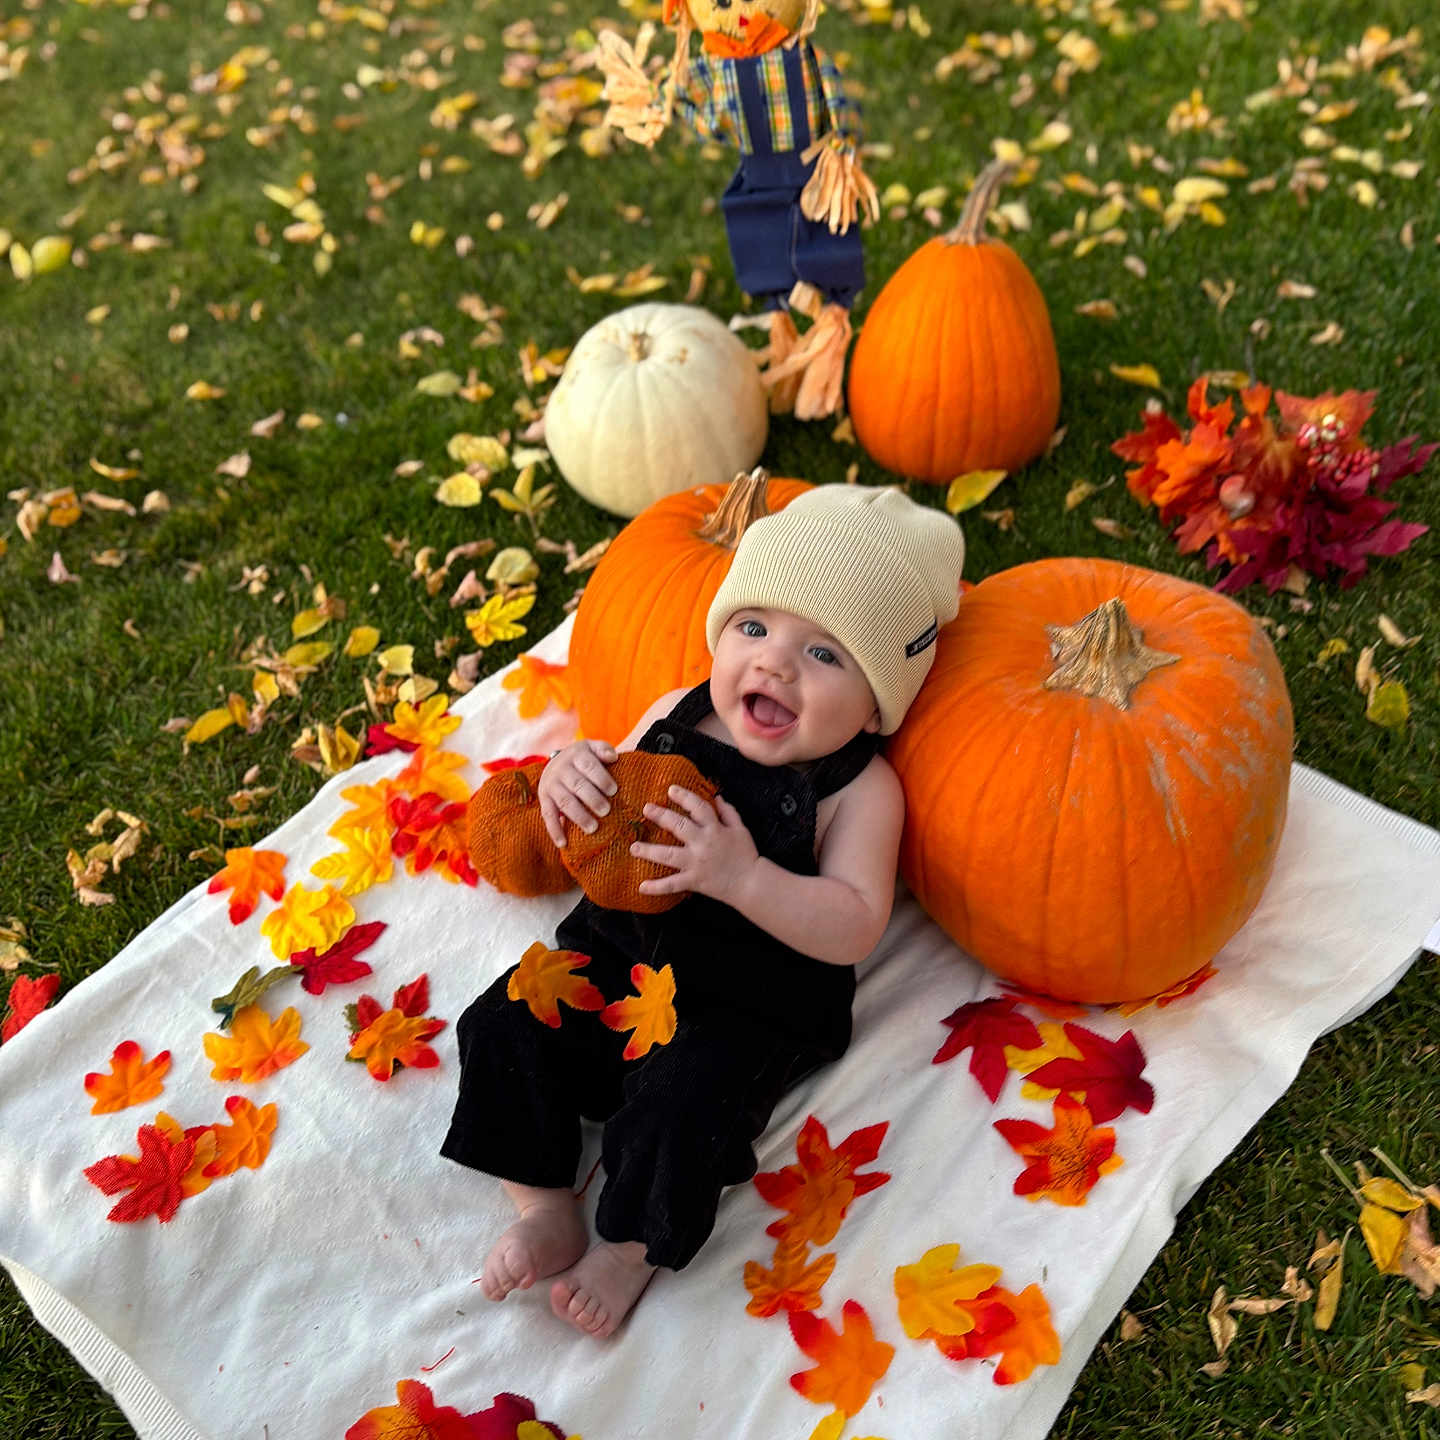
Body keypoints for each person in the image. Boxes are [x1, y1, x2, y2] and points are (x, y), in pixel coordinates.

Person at [441, 485, 966, 1338]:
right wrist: (571, 777)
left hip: (742, 1002)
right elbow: (605, 802)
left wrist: (746, 878)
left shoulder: (860, 791)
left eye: (823, 653)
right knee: (505, 1023)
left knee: (690, 1108)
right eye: (754, 628)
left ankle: (628, 1251)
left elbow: (856, 922)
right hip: (615, 953)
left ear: (876, 705)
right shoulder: (673, 713)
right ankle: (543, 1205)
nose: (775, 666)